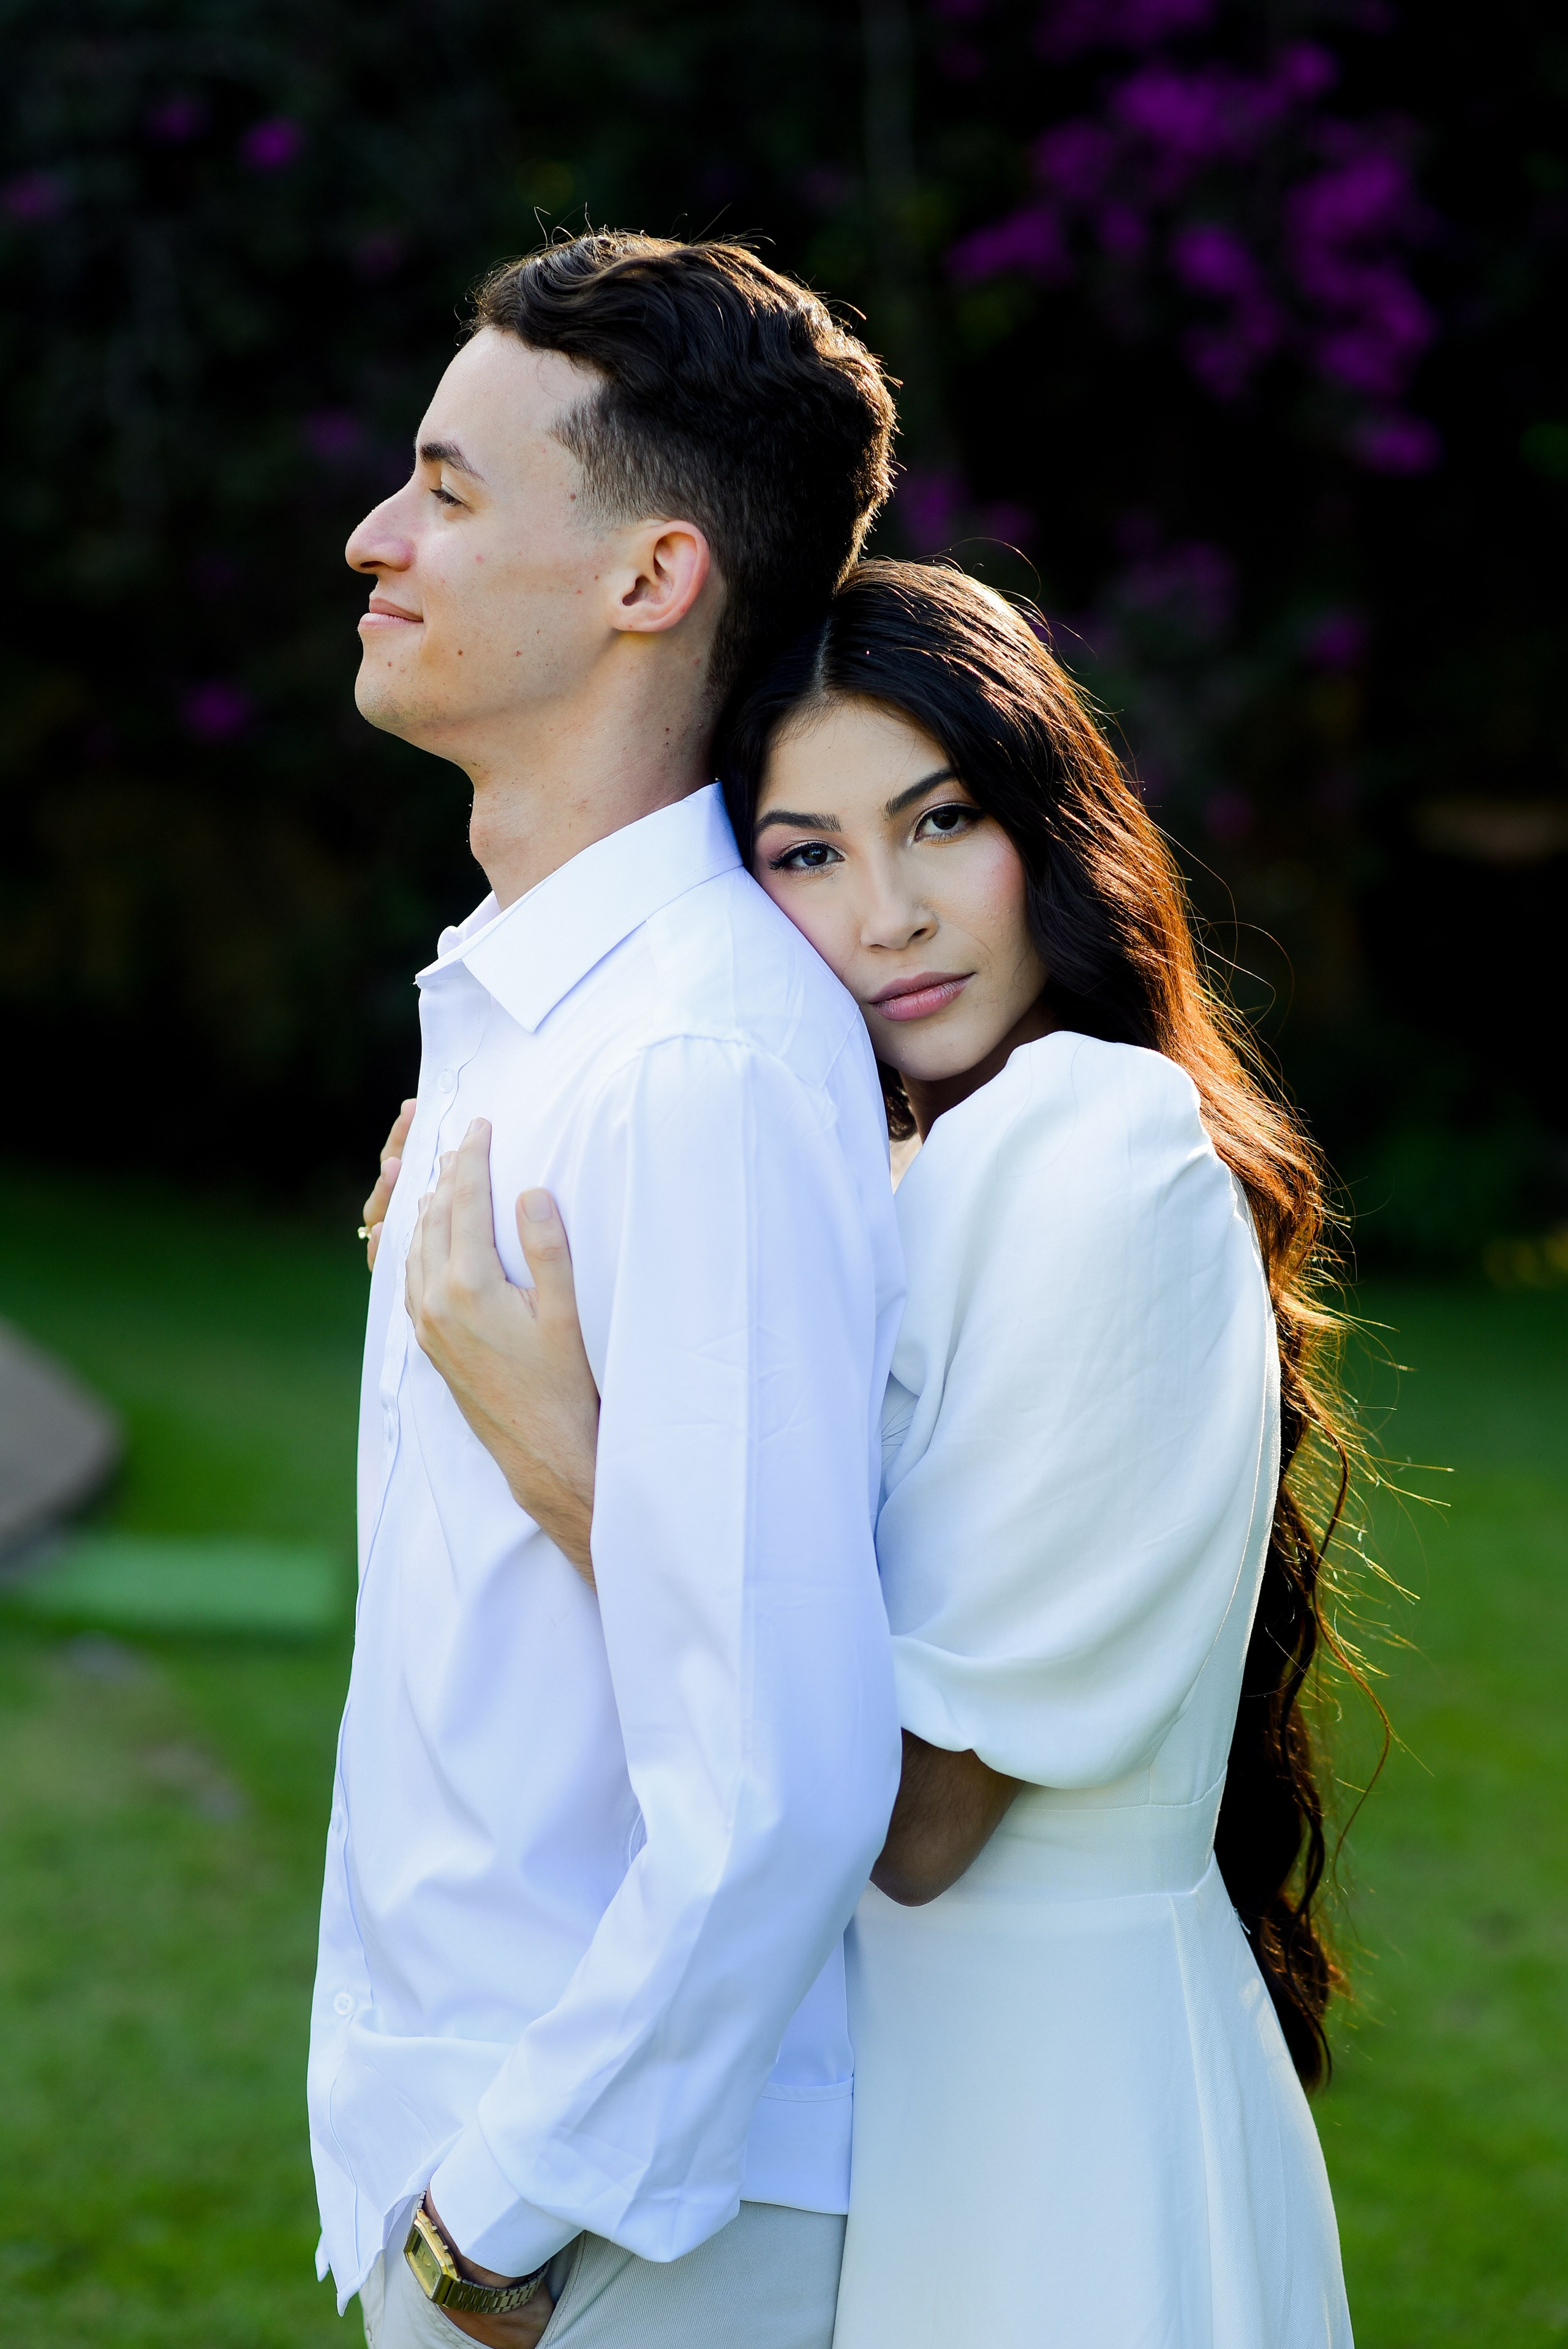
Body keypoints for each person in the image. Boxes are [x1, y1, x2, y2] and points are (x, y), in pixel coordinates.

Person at [389, 560, 1360, 2345]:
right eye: (809, 852)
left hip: (1041, 2127)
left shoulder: (1091, 1145)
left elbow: (920, 1822)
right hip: (944, 2096)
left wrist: (557, 1447)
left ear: (1053, 830)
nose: (892, 914)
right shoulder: (936, 1167)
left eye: (943, 820)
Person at [313, 233, 908, 2349]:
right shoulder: (542, 1012)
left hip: (629, 2233)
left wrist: (508, 2218)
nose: (378, 538)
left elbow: (790, 1764)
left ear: (653, 578)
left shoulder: (692, 1057)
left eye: (454, 490)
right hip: (513, 2177)